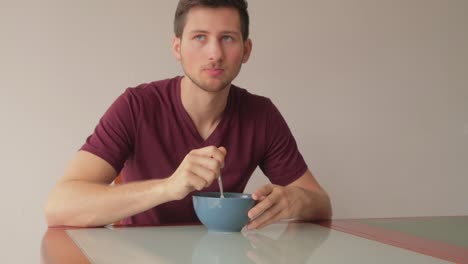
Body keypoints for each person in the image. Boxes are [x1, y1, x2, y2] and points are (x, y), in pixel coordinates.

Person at [45, 0, 332, 230]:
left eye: (228, 38)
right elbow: (60, 206)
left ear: (246, 50)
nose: (214, 53)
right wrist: (169, 187)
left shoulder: (261, 114)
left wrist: (296, 200)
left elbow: (321, 203)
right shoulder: (136, 105)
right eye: (199, 38)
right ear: (177, 48)